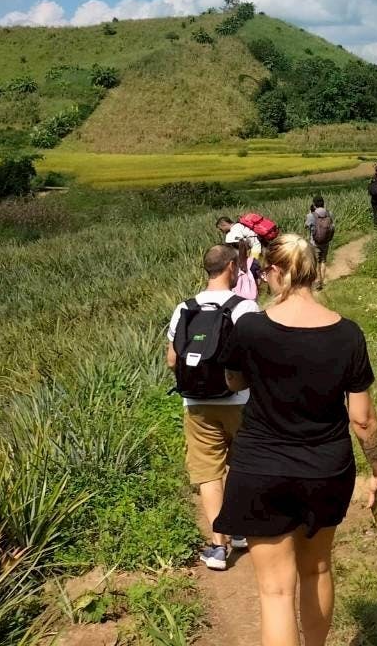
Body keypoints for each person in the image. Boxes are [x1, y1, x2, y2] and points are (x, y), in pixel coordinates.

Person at [215, 234, 377, 646]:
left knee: (275, 592)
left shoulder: (251, 327)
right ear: (315, 272)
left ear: (274, 272)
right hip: (325, 468)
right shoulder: (348, 334)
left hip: (260, 466)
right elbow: (362, 420)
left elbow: (234, 379)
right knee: (318, 570)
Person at [166, 244, 261, 571]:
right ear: (232, 267)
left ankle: (218, 546)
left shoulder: (184, 308)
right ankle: (242, 533)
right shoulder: (244, 308)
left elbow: (171, 360)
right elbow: (259, 357)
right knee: (243, 465)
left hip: (196, 404)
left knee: (208, 472)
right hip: (239, 401)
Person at [304, 196, 335, 289]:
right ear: (323, 203)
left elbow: (306, 226)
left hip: (315, 243)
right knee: (323, 261)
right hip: (326, 241)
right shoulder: (329, 213)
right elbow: (332, 226)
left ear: (314, 204)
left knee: (316, 262)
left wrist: (310, 213)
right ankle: (323, 281)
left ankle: (317, 282)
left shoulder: (311, 216)